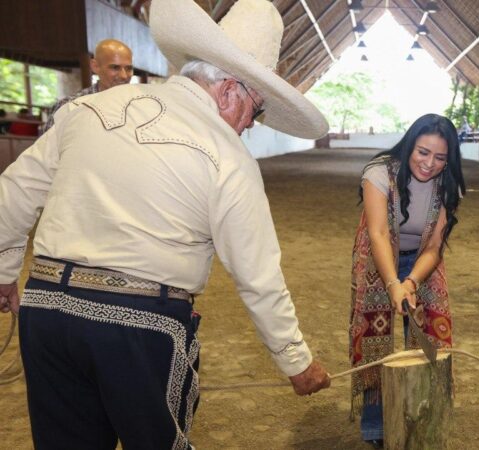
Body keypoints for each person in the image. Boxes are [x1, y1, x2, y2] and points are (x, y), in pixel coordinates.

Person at [0, 0, 331, 448]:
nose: (250, 126)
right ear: (231, 90)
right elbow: (258, 275)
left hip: (47, 312)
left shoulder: (91, 110)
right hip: (138, 326)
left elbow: (14, 192)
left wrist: (4, 273)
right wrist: (296, 361)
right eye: (255, 112)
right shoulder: (229, 157)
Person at [349, 113, 465, 447]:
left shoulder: (447, 184)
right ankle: (376, 429)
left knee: (430, 338)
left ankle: (424, 417)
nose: (429, 163)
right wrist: (392, 284)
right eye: (423, 152)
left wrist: (411, 282)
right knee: (375, 339)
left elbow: (434, 246)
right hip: (378, 259)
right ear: (409, 147)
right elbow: (379, 232)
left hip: (422, 263)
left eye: (440, 157)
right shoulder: (379, 172)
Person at [43, 39, 134, 131]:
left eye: (128, 68)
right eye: (115, 68)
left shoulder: (137, 104)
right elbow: (47, 144)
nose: (124, 75)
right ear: (95, 66)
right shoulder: (69, 107)